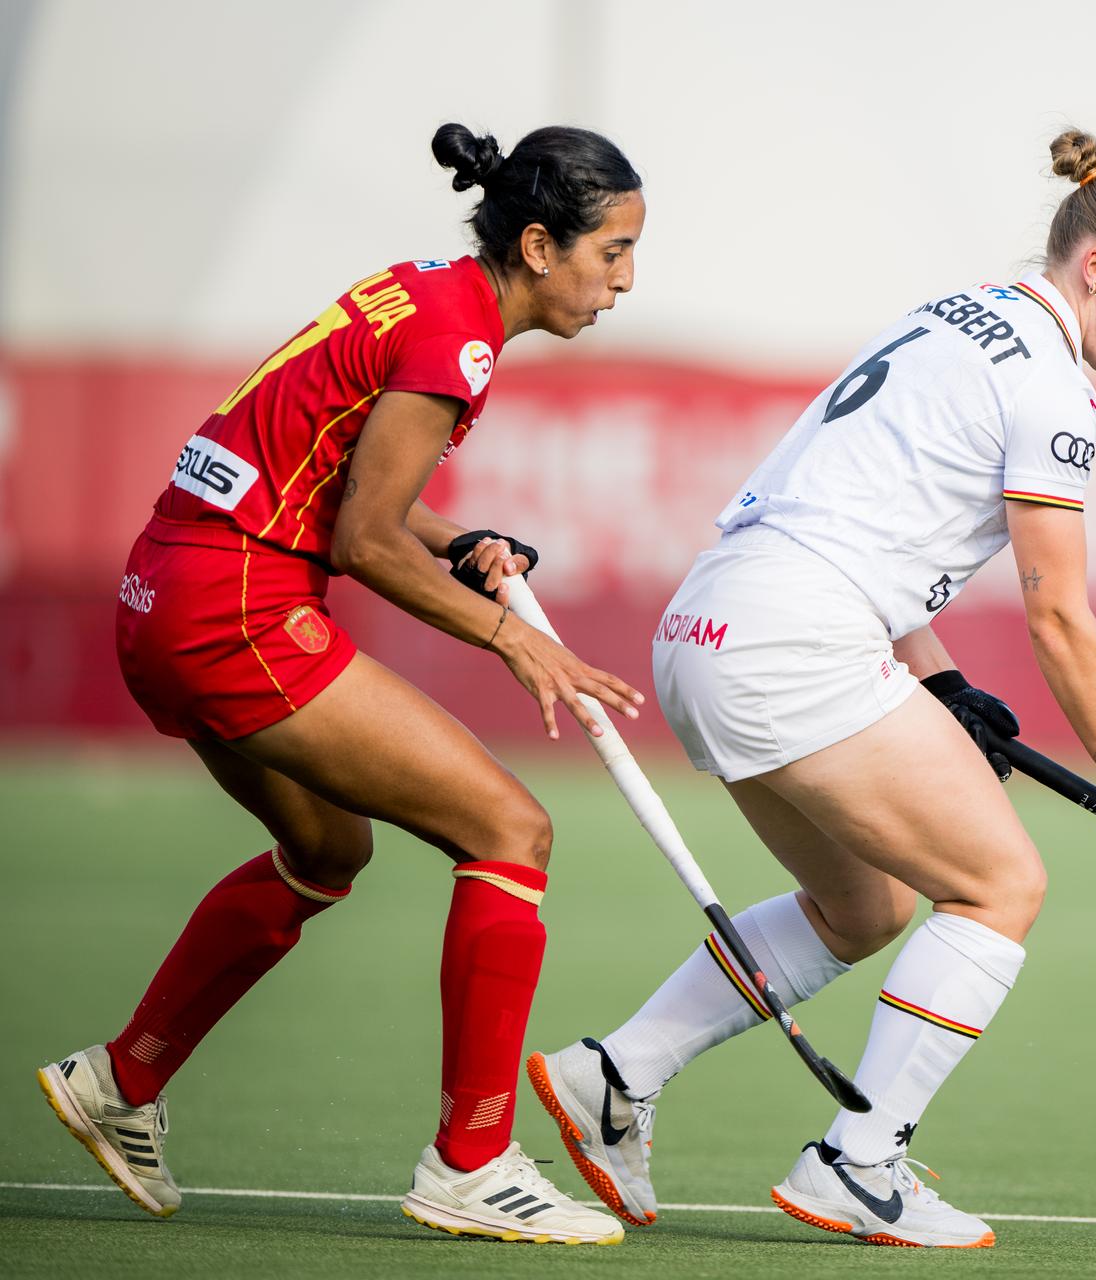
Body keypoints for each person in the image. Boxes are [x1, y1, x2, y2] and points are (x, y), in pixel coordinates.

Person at [526, 127, 1096, 1249]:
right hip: (795, 643)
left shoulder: (950, 312)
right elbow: (1058, 611)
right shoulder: (1053, 386)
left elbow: (859, 510)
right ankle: (860, 1160)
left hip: (708, 625)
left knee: (864, 907)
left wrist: (943, 681)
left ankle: (616, 1072)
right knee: (1000, 883)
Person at [36, 123, 648, 1247]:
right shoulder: (460, 340)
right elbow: (364, 539)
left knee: (328, 852)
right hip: (236, 606)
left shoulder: (419, 289)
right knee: (512, 828)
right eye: (610, 252)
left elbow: (349, 477)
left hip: (165, 590)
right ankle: (472, 1161)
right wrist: (514, 641)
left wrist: (457, 538)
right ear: (537, 243)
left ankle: (121, 1079)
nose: (624, 280)